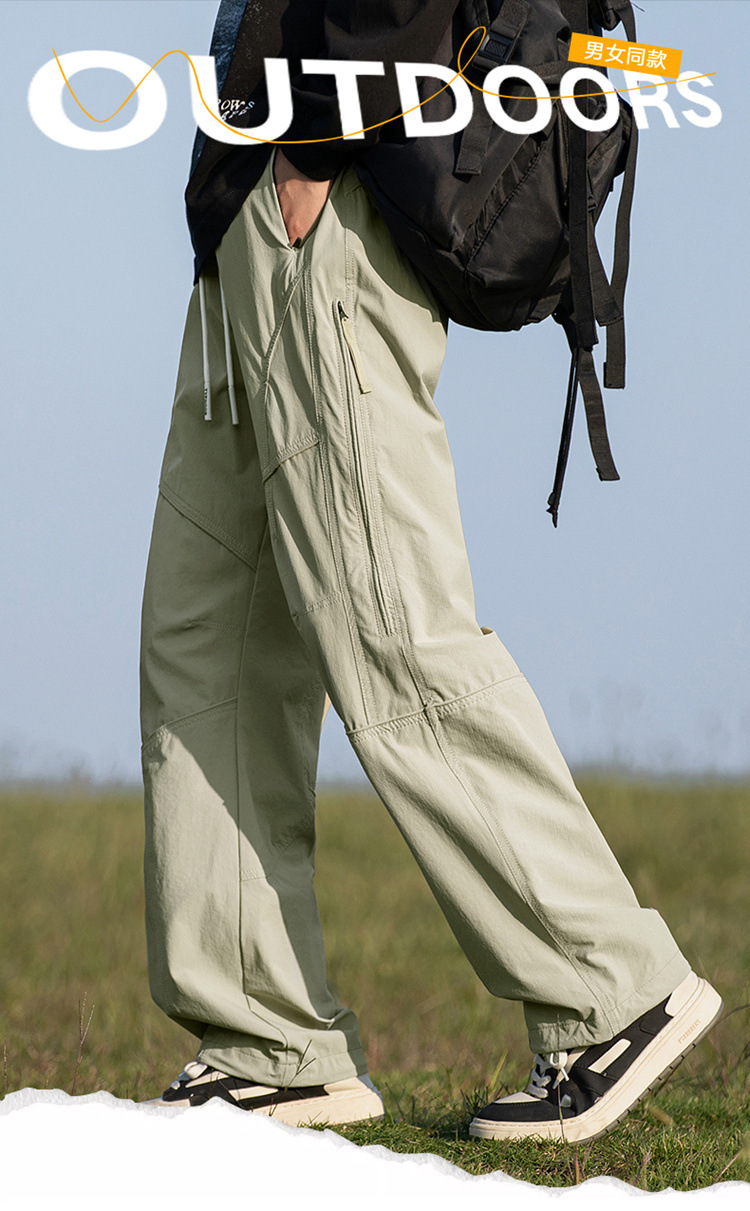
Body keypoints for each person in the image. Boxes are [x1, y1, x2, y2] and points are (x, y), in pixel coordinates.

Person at [140, 0, 722, 1141]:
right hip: (251, 211)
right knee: (205, 643)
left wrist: (313, 146)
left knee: (389, 623)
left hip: (322, 189)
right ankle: (267, 1040)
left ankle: (613, 987)